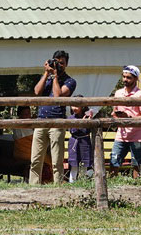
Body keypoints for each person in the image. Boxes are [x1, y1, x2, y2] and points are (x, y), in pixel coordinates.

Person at [29, 50, 76, 185]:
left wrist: (55, 76)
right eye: (56, 62)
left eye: (61, 63)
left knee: (57, 160)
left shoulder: (70, 81)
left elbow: (57, 96)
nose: (58, 65)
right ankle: (33, 186)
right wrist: (46, 73)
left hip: (57, 122)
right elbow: (37, 91)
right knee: (35, 159)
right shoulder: (47, 78)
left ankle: (57, 186)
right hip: (41, 121)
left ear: (66, 65)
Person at [110, 65, 141, 177]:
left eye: (129, 77)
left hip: (137, 135)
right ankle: (112, 183)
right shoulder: (118, 93)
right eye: (124, 77)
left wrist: (129, 117)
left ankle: (137, 185)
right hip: (121, 134)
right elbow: (114, 111)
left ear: (136, 78)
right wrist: (116, 116)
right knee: (114, 160)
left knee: (137, 163)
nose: (125, 80)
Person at [68, 99, 94, 182]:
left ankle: (82, 181)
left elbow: (89, 130)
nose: (74, 108)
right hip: (74, 141)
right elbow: (72, 130)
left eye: (77, 106)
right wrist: (81, 124)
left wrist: (90, 121)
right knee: (74, 163)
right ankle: (72, 181)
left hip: (85, 141)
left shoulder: (88, 117)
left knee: (84, 163)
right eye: (72, 106)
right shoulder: (70, 118)